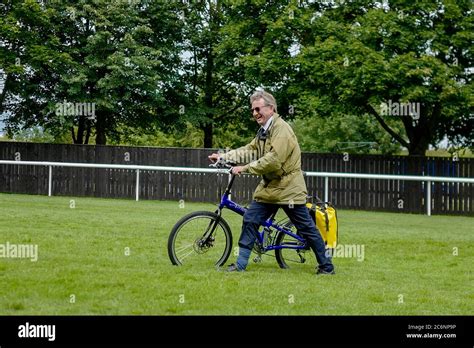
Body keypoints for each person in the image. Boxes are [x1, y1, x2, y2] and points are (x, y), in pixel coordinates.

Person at [208, 90, 335, 275]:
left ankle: (327, 267)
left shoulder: (281, 129)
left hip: (290, 189)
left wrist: (245, 168)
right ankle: (240, 265)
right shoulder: (263, 131)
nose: (254, 113)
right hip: (270, 188)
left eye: (258, 109)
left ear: (271, 108)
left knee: (306, 228)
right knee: (250, 219)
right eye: (252, 110)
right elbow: (249, 150)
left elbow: (274, 160)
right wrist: (222, 157)